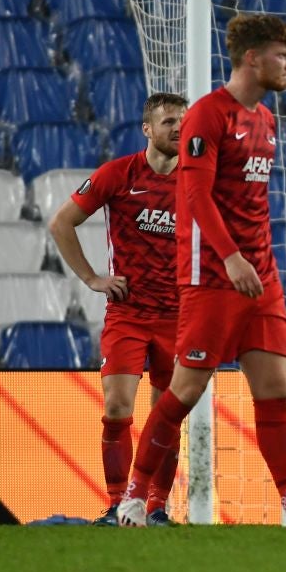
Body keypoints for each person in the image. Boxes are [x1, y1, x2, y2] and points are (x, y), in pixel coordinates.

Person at [118, 13, 286, 527]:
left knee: (274, 389)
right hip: (212, 277)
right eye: (282, 55)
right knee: (186, 390)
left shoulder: (266, 119)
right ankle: (134, 495)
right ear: (252, 57)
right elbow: (195, 193)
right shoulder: (207, 115)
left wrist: (256, 262)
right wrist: (230, 256)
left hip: (260, 278)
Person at [50, 93, 188, 527]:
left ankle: (157, 507)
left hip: (178, 315)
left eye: (183, 121)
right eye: (169, 122)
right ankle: (114, 505)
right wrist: (93, 278)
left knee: (166, 412)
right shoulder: (120, 173)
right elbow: (61, 222)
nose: (179, 128)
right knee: (116, 407)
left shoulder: (198, 179)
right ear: (147, 129)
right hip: (128, 312)